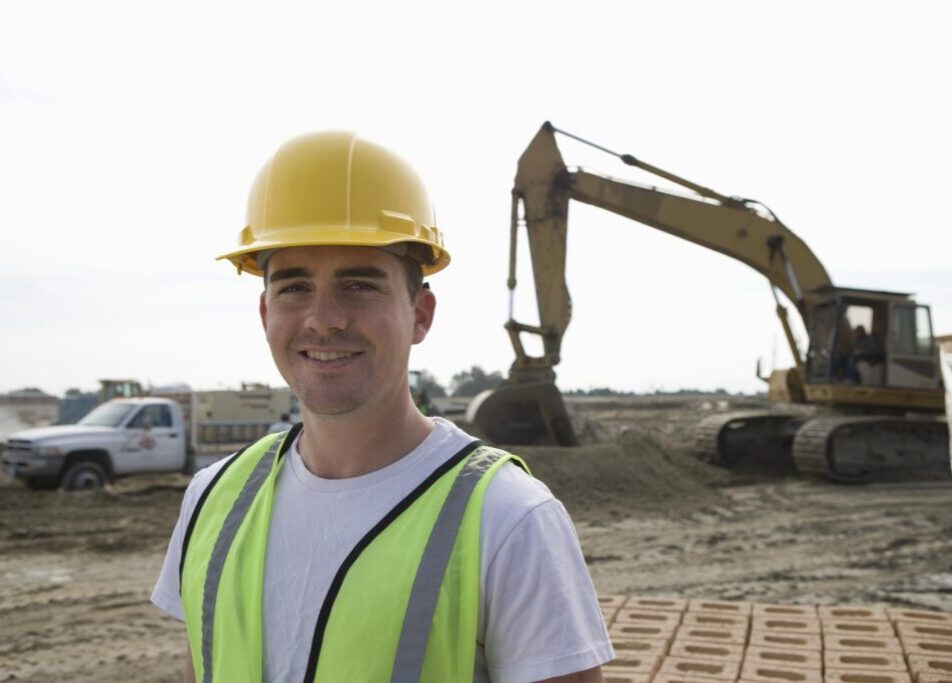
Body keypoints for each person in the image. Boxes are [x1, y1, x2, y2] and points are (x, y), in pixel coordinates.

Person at [150, 131, 614, 682]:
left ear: (421, 314)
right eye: (294, 287)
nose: (323, 319)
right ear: (264, 311)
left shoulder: (509, 519)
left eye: (359, 286)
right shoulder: (213, 498)